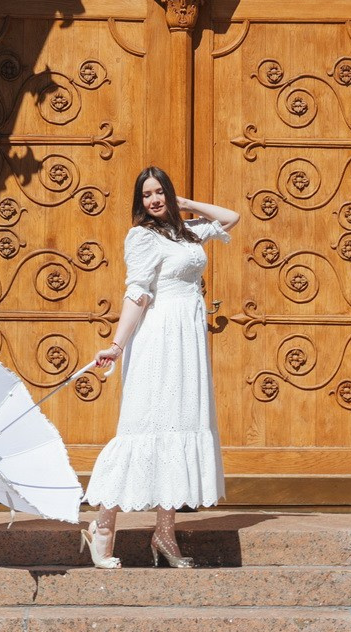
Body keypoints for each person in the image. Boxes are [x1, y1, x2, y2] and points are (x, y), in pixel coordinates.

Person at [82, 166, 239, 568]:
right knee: (145, 425)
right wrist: (117, 345)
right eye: (147, 194)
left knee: (179, 423)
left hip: (188, 341)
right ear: (140, 202)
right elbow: (137, 294)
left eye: (160, 192)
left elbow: (231, 217)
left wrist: (184, 204)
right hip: (160, 337)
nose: (153, 200)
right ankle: (102, 528)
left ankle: (165, 535)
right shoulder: (142, 237)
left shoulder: (186, 232)